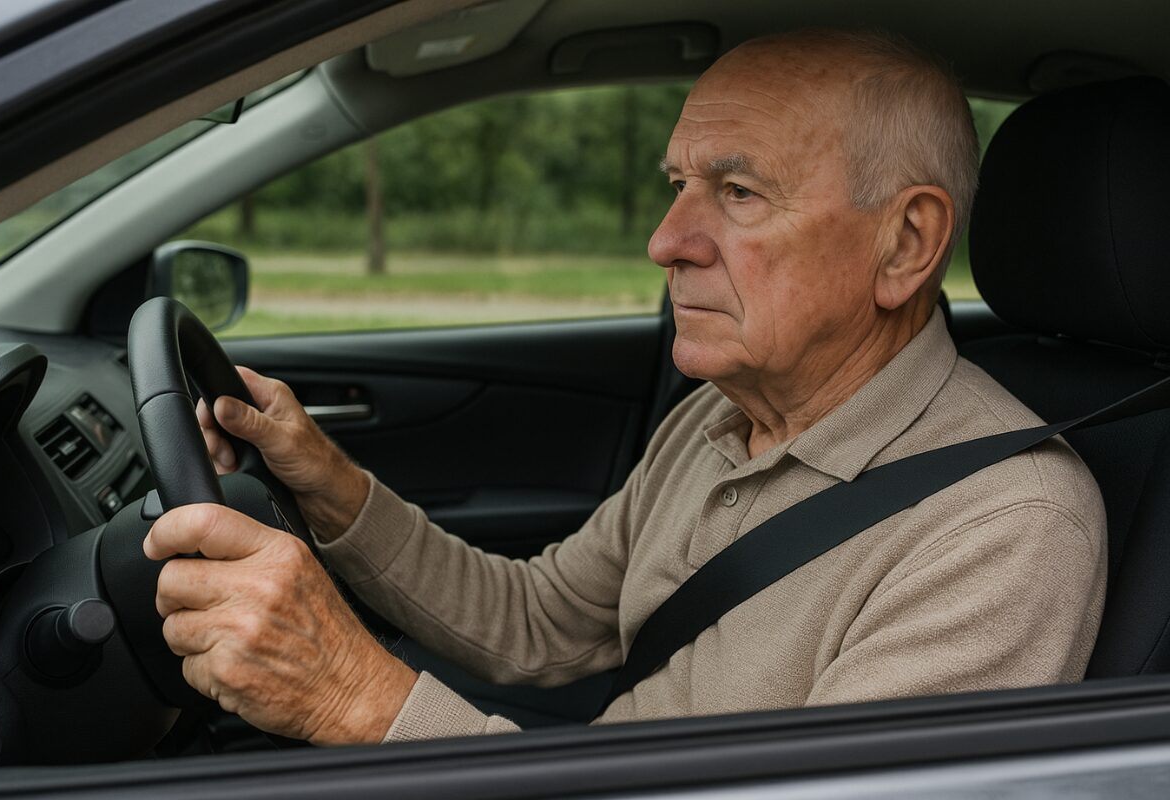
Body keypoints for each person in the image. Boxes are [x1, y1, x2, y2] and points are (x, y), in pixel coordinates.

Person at [143, 30, 1107, 745]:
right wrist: (324, 480)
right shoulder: (720, 417)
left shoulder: (1004, 526)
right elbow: (540, 626)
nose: (664, 241)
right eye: (678, 184)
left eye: (738, 193)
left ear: (905, 245)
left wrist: (360, 700)